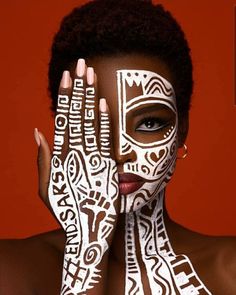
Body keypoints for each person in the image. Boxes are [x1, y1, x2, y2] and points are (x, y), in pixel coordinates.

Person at [0, 0, 235, 294]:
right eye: (97, 125)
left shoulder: (230, 270)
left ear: (182, 128)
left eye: (149, 123)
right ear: (68, 129)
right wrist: (87, 247)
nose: (119, 152)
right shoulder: (10, 270)